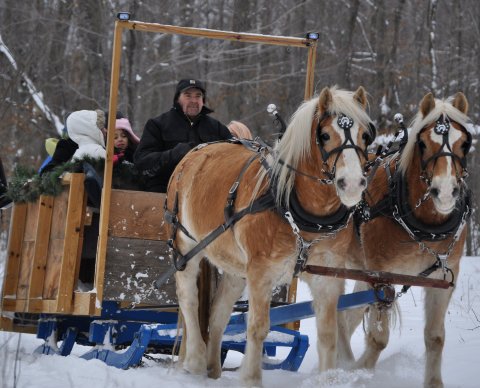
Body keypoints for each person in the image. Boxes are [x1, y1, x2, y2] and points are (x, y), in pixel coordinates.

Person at [134, 78, 232, 192]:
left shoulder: (217, 128)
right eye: (188, 95)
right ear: (177, 99)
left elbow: (234, 155)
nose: (193, 100)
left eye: (198, 96)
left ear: (203, 100)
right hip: (164, 194)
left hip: (205, 194)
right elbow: (141, 161)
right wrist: (172, 155)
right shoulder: (157, 124)